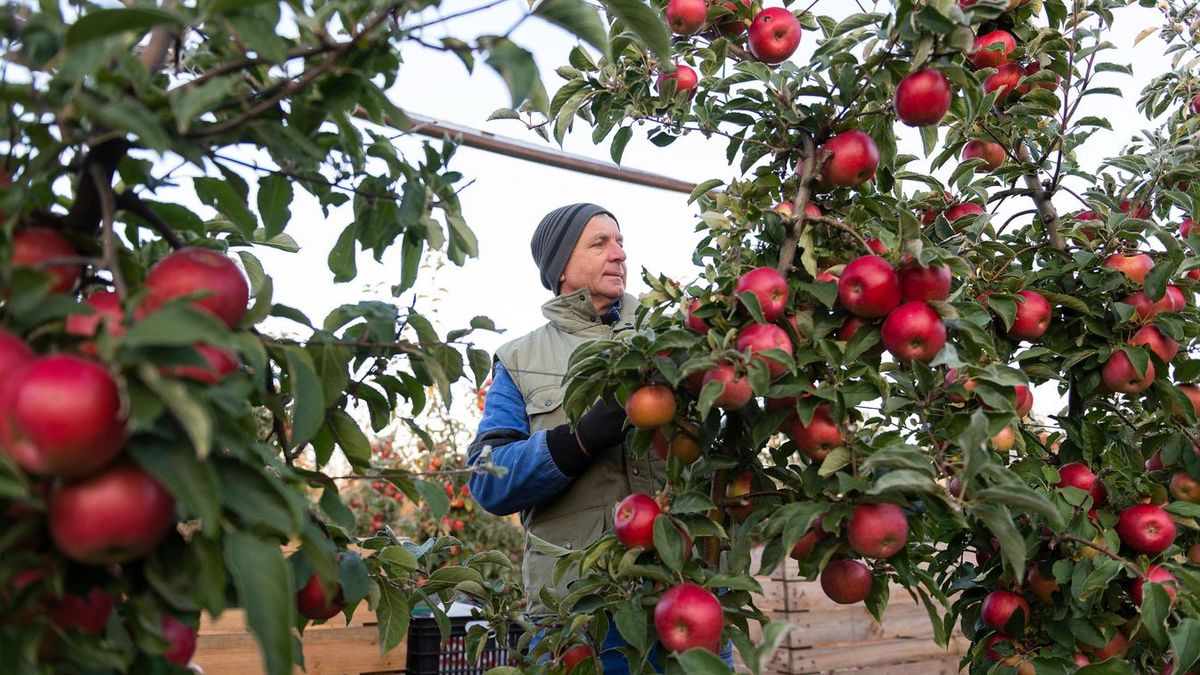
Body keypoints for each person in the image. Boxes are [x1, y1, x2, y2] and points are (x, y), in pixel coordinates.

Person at [466, 203, 666, 672]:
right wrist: (575, 441)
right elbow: (487, 480)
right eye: (600, 243)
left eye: (620, 241)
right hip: (579, 612)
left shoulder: (665, 337)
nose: (619, 254)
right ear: (559, 267)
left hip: (684, 587)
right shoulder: (518, 359)